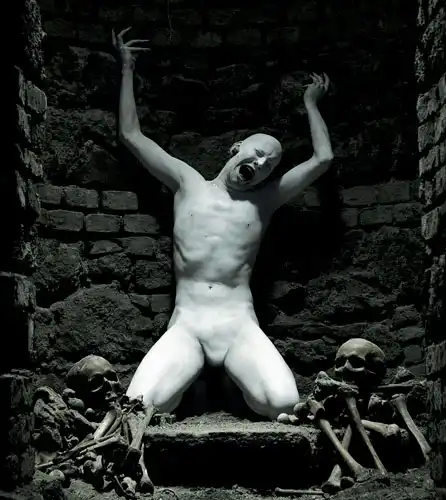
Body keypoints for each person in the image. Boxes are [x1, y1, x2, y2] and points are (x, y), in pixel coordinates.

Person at [112, 28, 334, 420]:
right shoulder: (188, 183)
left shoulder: (263, 201)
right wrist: (127, 68)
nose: (261, 163)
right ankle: (182, 392)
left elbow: (322, 160)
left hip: (238, 323)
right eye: (259, 153)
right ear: (237, 149)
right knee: (139, 406)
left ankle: (236, 390)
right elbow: (131, 134)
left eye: (269, 164)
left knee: (283, 403)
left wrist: (310, 103)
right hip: (189, 323)